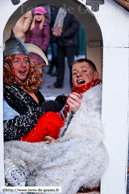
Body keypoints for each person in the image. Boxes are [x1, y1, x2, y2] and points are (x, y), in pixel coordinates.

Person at [4, 57, 108, 193]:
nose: (78, 75)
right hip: (48, 139)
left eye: (83, 71)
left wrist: (78, 112)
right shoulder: (78, 93)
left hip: (75, 143)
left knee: (50, 122)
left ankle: (36, 185)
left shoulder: (98, 95)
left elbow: (95, 128)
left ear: (95, 75)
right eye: (75, 73)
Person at [3, 30, 66, 142]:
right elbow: (7, 130)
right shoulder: (4, 90)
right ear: (6, 66)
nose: (23, 65)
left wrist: (57, 104)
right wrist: (43, 110)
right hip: (21, 141)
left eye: (26, 60)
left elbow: (37, 110)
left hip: (38, 134)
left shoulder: (28, 85)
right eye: (16, 61)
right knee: (50, 119)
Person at [47, 9, 80, 89]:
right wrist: (54, 31)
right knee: (60, 64)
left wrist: (63, 34)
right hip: (60, 42)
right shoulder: (58, 12)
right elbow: (53, 24)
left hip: (70, 42)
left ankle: (74, 85)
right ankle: (59, 83)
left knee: (71, 64)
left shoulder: (72, 12)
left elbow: (76, 26)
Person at [25, 6, 50, 75]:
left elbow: (46, 37)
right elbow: (28, 35)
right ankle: (31, 82)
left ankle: (38, 82)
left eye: (40, 15)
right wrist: (25, 45)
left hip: (39, 48)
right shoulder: (32, 24)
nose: (38, 16)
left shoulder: (45, 24)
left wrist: (42, 48)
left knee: (38, 66)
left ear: (43, 15)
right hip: (31, 47)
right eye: (37, 14)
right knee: (30, 65)